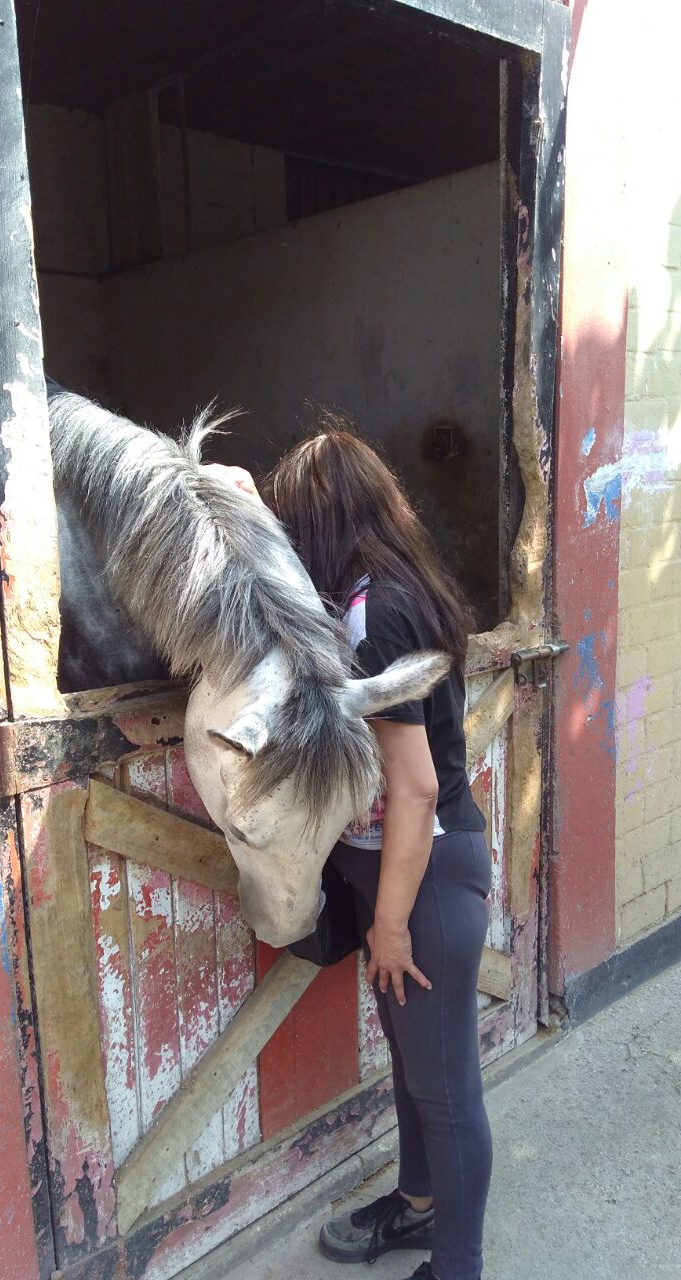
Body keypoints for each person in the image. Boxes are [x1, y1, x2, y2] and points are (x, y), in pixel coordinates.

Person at [261, 420, 493, 1280]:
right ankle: (421, 1205)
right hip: (410, 875)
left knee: (445, 1091)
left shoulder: (374, 613)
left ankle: (456, 1265)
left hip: (422, 882)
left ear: (321, 524)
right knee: (414, 1069)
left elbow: (417, 785)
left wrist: (389, 921)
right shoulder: (397, 588)